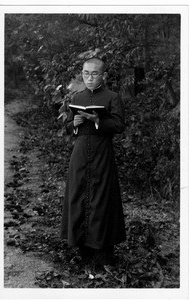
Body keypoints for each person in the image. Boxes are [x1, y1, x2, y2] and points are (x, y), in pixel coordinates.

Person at [61, 57, 126, 268]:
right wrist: (75, 123)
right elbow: (69, 128)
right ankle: (83, 250)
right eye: (86, 73)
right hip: (80, 154)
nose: (89, 78)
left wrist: (98, 120)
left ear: (103, 75)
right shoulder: (77, 97)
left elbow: (118, 126)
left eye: (94, 74)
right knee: (78, 196)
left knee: (101, 199)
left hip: (102, 153)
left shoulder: (112, 97)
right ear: (82, 73)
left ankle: (102, 253)